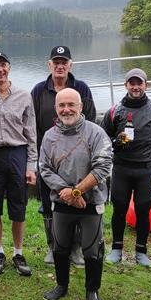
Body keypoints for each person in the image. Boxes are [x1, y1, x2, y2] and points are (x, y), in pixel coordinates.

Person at [39, 88, 111, 300]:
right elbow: (44, 168)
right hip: (62, 202)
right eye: (62, 105)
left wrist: (77, 191)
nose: (67, 109)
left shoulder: (96, 133)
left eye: (71, 105)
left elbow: (103, 166)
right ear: (56, 108)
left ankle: (92, 290)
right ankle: (61, 285)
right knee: (60, 246)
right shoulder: (49, 136)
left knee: (92, 249)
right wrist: (67, 193)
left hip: (91, 202)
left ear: (80, 107)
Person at [31, 45, 96, 266]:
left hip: (78, 160)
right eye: (56, 62)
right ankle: (54, 246)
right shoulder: (39, 90)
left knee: (79, 201)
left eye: (64, 62)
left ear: (70, 65)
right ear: (49, 65)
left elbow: (91, 121)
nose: (60, 66)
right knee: (50, 205)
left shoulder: (82, 88)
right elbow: (33, 126)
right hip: (49, 159)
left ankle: (76, 248)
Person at [101, 68, 151, 267]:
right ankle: (116, 249)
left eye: (139, 83)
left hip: (146, 169)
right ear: (126, 86)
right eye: (132, 83)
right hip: (122, 168)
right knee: (119, 209)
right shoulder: (115, 111)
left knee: (143, 210)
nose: (135, 87)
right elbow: (102, 140)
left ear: (145, 85)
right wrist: (117, 141)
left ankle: (141, 251)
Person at [0, 51, 37, 276]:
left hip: (17, 154)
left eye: (3, 65)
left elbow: (31, 133)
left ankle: (18, 252)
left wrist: (31, 166)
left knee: (18, 207)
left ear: (9, 67)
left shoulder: (24, 96)